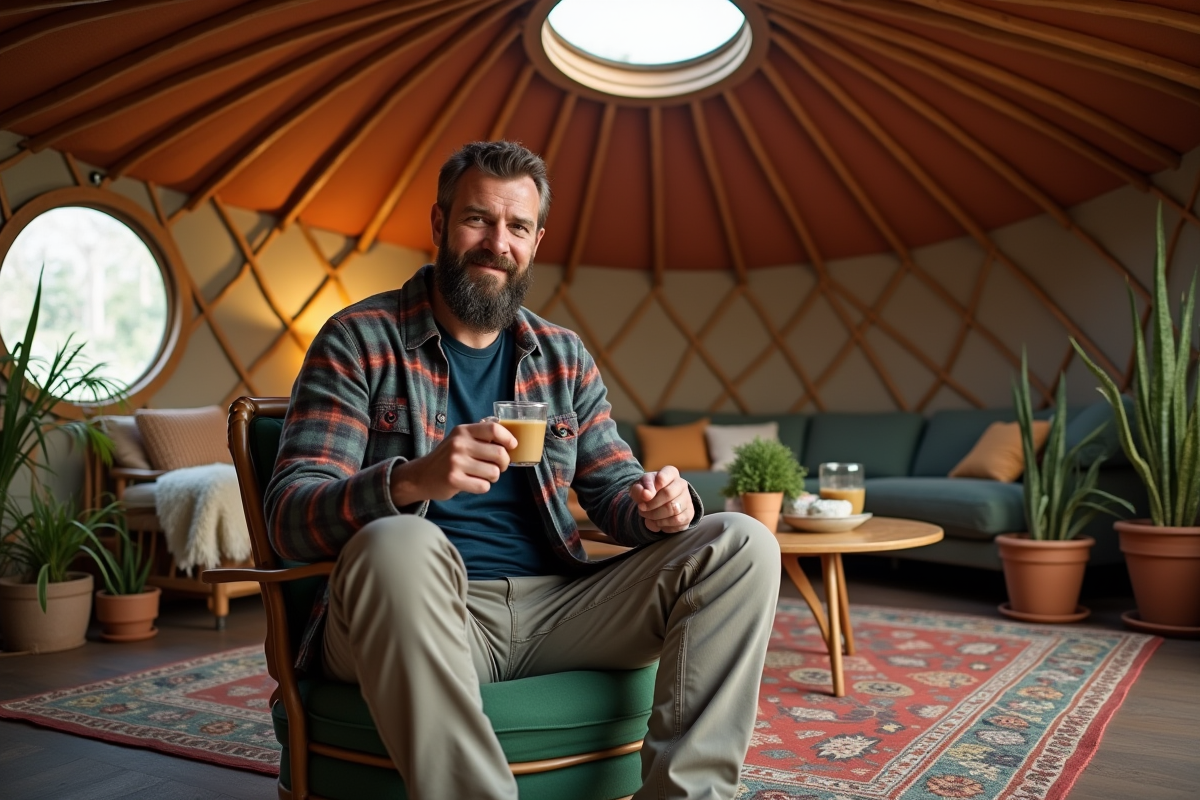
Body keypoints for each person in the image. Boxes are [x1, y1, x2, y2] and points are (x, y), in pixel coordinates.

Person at [265, 140, 781, 800]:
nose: (496, 243)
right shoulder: (359, 340)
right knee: (401, 541)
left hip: (558, 609)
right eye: (477, 219)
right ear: (440, 224)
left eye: (516, 226)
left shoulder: (562, 355)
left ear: (536, 241)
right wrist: (411, 480)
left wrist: (659, 506)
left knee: (743, 542)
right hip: (419, 610)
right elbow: (290, 516)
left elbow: (615, 489)